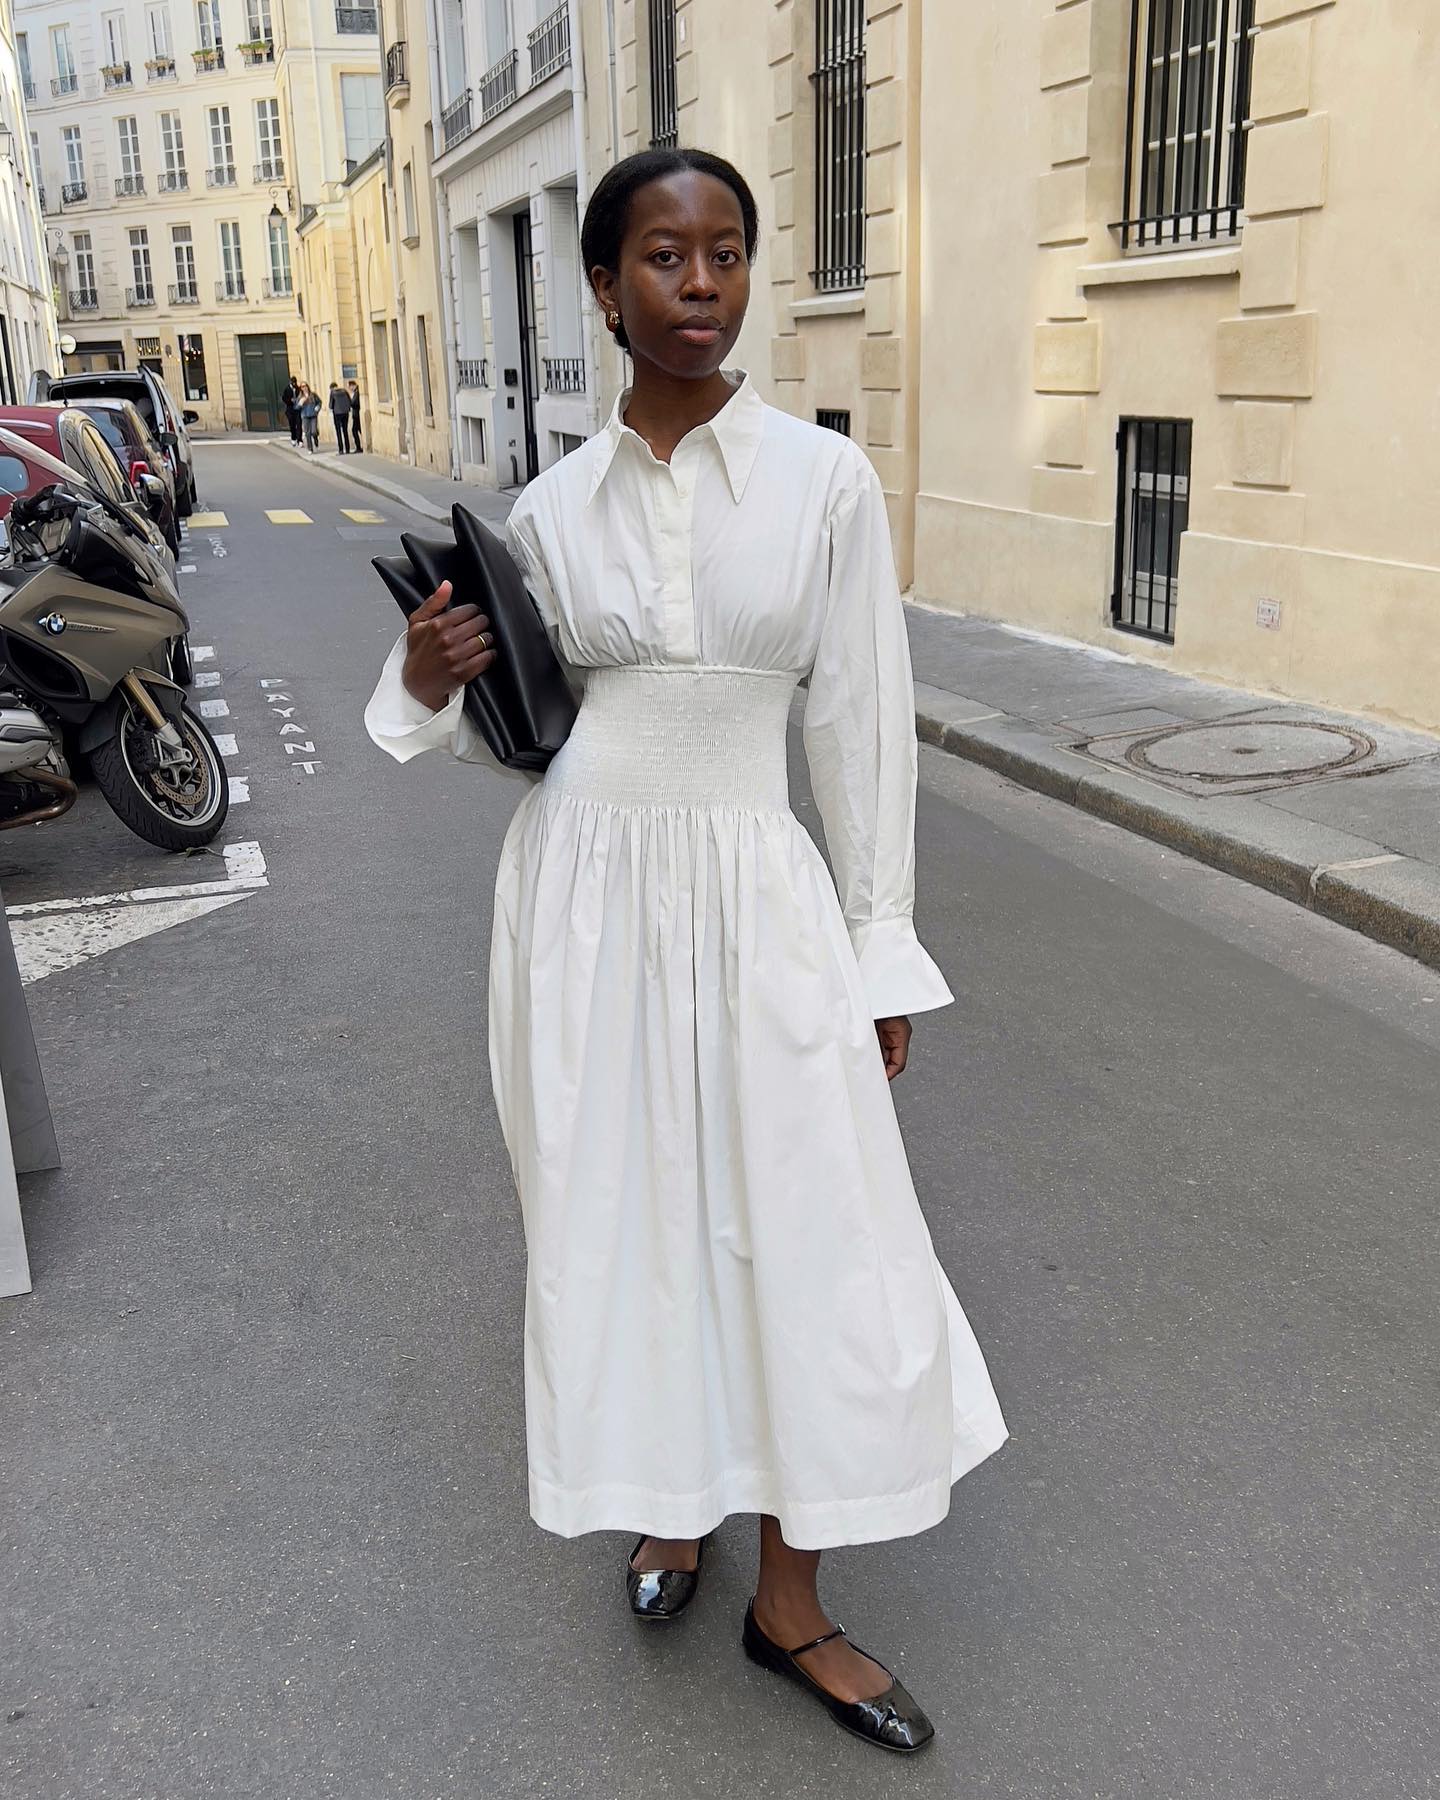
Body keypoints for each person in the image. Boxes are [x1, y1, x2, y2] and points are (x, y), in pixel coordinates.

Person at [363, 148, 1008, 1755]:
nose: (703, 283)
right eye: (665, 255)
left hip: (763, 900)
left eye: (727, 253)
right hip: (580, 905)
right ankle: (670, 1506)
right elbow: (501, 720)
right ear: (605, 287)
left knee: (810, 1235)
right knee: (630, 1223)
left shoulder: (821, 486)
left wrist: (880, 952)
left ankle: (790, 1600)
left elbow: (860, 731)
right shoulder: (550, 510)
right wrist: (431, 670)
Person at [328, 380, 352, 454]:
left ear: (331, 388)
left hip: (337, 413)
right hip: (345, 412)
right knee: (345, 431)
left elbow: (331, 405)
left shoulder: (332, 393)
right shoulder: (344, 391)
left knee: (338, 432)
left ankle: (341, 449)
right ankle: (347, 449)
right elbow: (350, 401)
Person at [281, 375, 302, 445]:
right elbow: (284, 398)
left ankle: (300, 439)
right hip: (290, 409)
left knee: (299, 424)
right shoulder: (287, 389)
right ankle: (293, 437)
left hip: (297, 409)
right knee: (292, 424)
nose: (294, 384)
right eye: (293, 383)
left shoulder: (298, 389)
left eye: (295, 383)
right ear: (290, 383)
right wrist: (290, 400)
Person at [300, 384, 320, 454]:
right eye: (302, 387)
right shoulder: (300, 396)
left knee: (314, 431)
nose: (304, 388)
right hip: (305, 416)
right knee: (307, 433)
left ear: (307, 387)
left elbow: (319, 402)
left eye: (305, 386)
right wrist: (300, 403)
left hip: (313, 415)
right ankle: (310, 448)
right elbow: (296, 407)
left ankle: (315, 438)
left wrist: (317, 407)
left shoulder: (313, 395)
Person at [347, 379, 363, 452]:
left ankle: (358, 447)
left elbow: (355, 403)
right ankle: (359, 446)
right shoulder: (355, 392)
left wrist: (349, 402)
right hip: (356, 415)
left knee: (355, 430)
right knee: (358, 430)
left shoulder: (357, 392)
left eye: (349, 387)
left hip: (357, 415)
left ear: (352, 385)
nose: (349, 389)